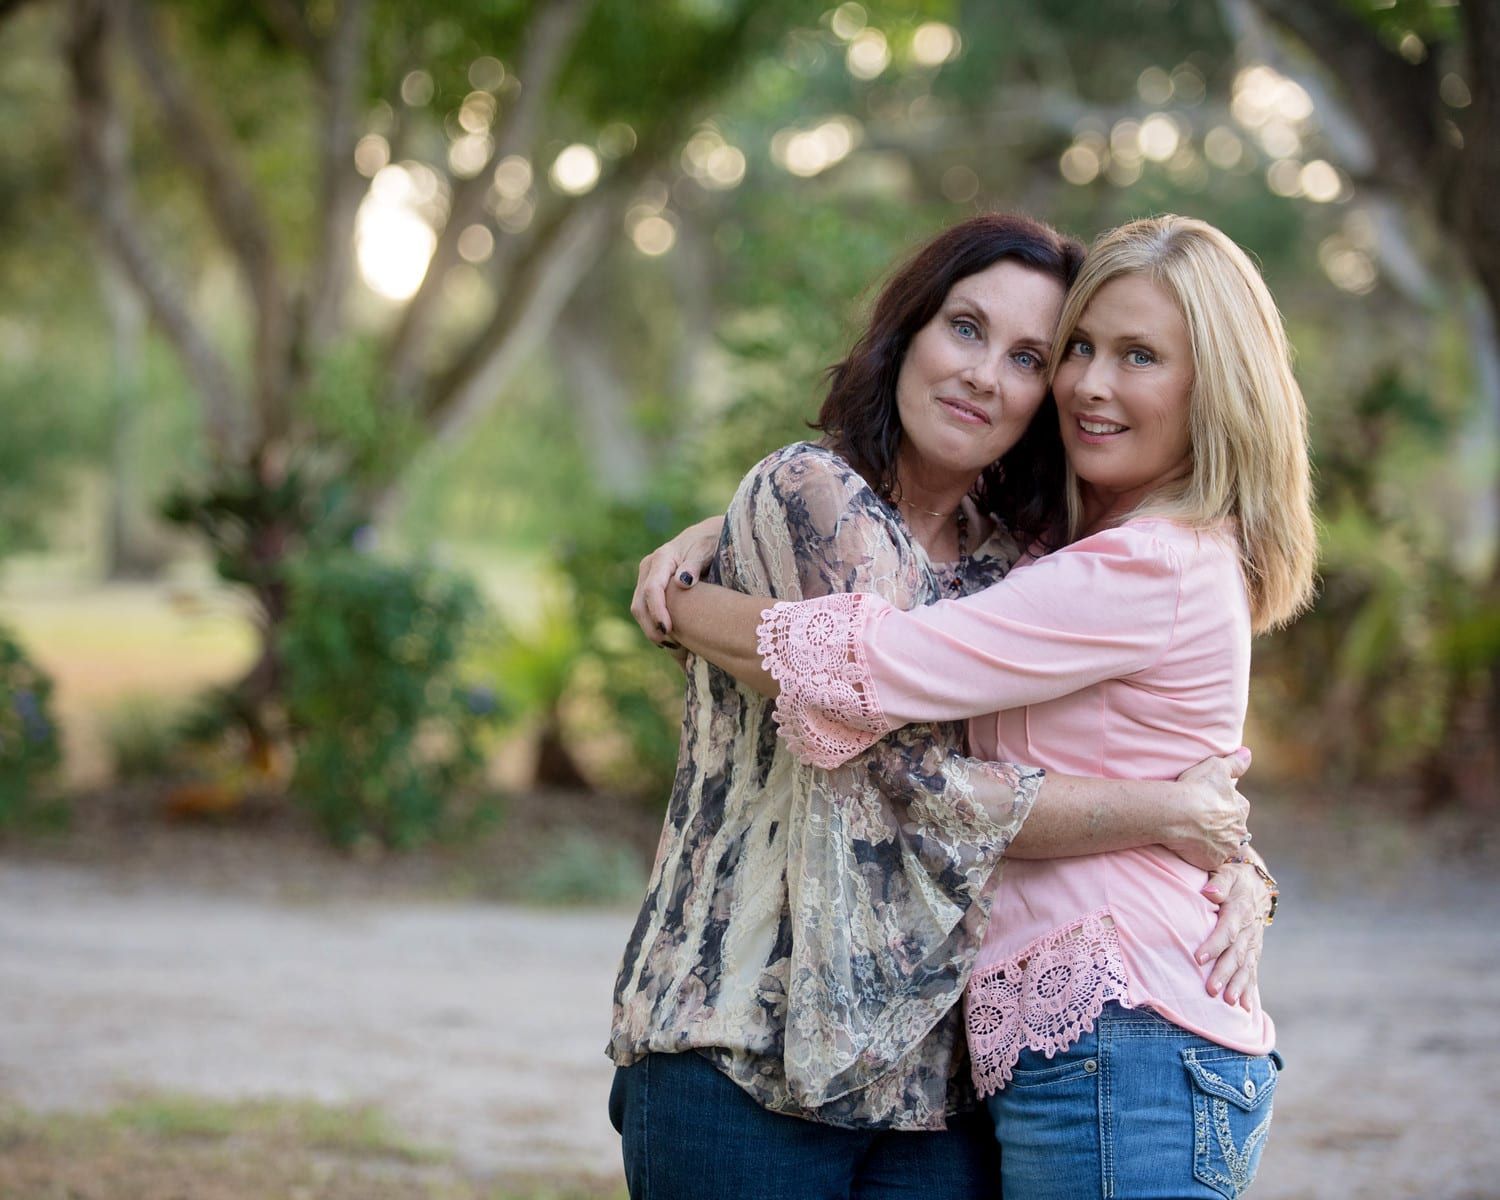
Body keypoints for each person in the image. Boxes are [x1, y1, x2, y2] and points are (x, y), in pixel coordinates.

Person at [611, 212, 1275, 1200]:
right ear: (906, 333)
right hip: (741, 1045)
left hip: (937, 1085)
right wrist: (1172, 815)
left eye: (1028, 356)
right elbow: (901, 780)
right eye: (965, 329)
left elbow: (1135, 732)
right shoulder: (809, 491)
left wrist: (1230, 852)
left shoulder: (1022, 564)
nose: (984, 374)